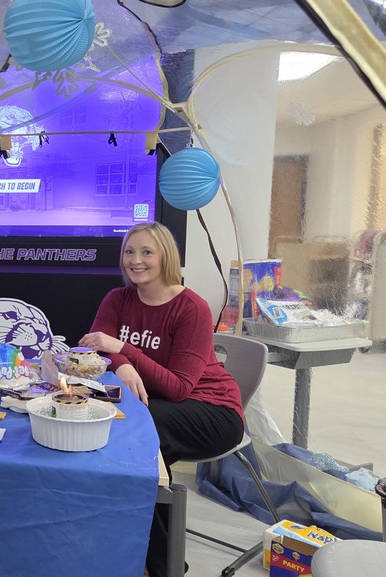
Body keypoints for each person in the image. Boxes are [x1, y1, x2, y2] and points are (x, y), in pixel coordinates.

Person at [77, 221, 243, 577]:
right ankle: (156, 558)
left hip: (212, 411)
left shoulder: (191, 308)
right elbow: (93, 347)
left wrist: (122, 350)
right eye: (129, 252)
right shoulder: (117, 299)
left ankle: (160, 565)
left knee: (132, 438)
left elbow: (180, 387)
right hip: (156, 407)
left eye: (147, 252)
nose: (136, 261)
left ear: (166, 256)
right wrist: (119, 364)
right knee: (131, 450)